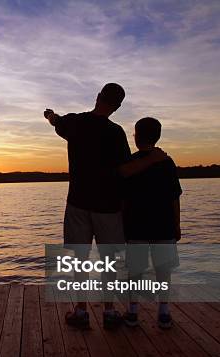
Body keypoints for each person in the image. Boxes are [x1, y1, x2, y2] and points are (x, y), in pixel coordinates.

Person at [44, 83, 168, 329]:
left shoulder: (75, 123)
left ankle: (81, 311)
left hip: (78, 204)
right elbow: (124, 170)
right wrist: (153, 159)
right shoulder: (116, 133)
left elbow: (56, 121)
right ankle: (109, 312)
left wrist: (50, 115)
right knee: (108, 261)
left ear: (98, 97)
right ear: (118, 106)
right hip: (108, 207)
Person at [122, 117, 182, 329]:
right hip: (163, 223)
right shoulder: (167, 162)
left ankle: (133, 311)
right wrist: (177, 223)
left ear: (137, 136)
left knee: (135, 271)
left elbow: (123, 196)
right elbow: (175, 196)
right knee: (163, 270)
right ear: (157, 136)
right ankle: (164, 312)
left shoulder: (131, 162)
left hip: (136, 224)